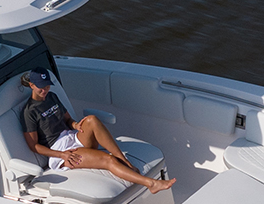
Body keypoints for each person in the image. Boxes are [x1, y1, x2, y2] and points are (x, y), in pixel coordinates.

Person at [20, 69, 175, 194]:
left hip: (71, 136)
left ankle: (123, 159)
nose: (45, 89)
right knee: (108, 160)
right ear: (32, 85)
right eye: (41, 87)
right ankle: (151, 184)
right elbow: (34, 146)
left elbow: (68, 120)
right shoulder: (29, 112)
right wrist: (62, 155)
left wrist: (75, 125)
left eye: (47, 86)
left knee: (92, 120)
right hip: (60, 150)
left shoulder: (52, 97)